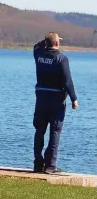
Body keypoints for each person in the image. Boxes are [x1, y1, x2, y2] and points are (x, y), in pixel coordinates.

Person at [32, 32, 78, 173]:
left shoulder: (39, 55)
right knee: (55, 132)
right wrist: (74, 98)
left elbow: (36, 46)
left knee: (39, 130)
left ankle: (38, 164)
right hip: (56, 101)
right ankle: (50, 166)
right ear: (57, 44)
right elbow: (67, 81)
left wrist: (46, 39)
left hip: (41, 100)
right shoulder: (61, 59)